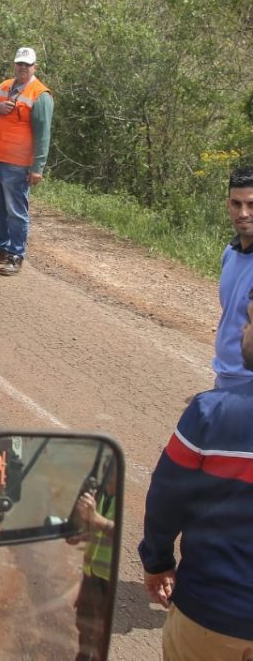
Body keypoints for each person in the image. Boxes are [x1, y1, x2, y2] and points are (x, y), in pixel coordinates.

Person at [139, 320, 253, 659]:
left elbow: (167, 497)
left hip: (212, 612)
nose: (242, 329)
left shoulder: (211, 411)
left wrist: (157, 561)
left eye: (250, 319)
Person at [0, 46, 54, 276]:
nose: (22, 68)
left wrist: (37, 167)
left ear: (35, 67)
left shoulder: (40, 95)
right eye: (19, 63)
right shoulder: (4, 86)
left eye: (26, 65)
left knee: (16, 211)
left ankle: (16, 254)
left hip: (17, 165)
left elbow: (43, 135)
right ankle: (0, 248)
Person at [68, 459, 118, 661]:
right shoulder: (102, 496)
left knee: (99, 633)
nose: (105, 477)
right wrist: (80, 535)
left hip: (106, 579)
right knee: (84, 623)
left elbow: (117, 531)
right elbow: (95, 532)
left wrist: (94, 517)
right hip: (90, 573)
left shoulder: (119, 501)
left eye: (109, 473)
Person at [213, 165, 253, 389]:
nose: (243, 213)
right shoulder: (230, 252)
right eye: (236, 204)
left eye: (251, 204)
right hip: (225, 379)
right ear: (228, 205)